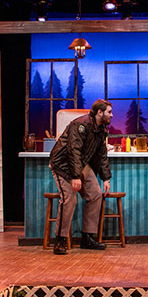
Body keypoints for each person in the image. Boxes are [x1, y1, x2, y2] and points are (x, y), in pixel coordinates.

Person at [48, 99, 113, 255]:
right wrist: (76, 177)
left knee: (96, 194)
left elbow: (101, 154)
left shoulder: (101, 129)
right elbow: (73, 151)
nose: (112, 115)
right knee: (69, 199)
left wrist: (106, 178)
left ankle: (87, 237)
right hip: (62, 165)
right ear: (100, 112)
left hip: (80, 164)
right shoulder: (81, 125)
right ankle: (60, 240)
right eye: (109, 112)